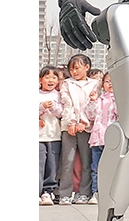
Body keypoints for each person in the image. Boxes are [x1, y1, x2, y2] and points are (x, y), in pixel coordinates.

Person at [58, 54, 99, 205]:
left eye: (77, 68)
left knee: (86, 160)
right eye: (71, 69)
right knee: (67, 161)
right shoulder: (67, 84)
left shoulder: (94, 84)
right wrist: (70, 123)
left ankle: (84, 192)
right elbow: (66, 104)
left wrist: (84, 121)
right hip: (69, 127)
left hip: (87, 128)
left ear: (87, 67)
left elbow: (93, 105)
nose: (74, 72)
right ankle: (65, 193)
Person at [89, 71, 117, 201]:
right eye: (107, 81)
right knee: (96, 167)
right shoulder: (99, 99)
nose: (110, 84)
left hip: (113, 139)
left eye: (113, 81)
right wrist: (93, 101)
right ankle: (97, 191)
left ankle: (111, 192)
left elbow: (120, 114)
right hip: (98, 138)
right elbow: (90, 115)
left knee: (113, 167)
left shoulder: (120, 99)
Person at [39, 66, 63, 205]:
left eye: (54, 77)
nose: (50, 80)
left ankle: (48, 192)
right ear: (40, 80)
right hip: (39, 137)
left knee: (52, 166)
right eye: (47, 77)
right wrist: (41, 106)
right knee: (39, 165)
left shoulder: (58, 95)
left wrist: (53, 107)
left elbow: (61, 113)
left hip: (54, 135)